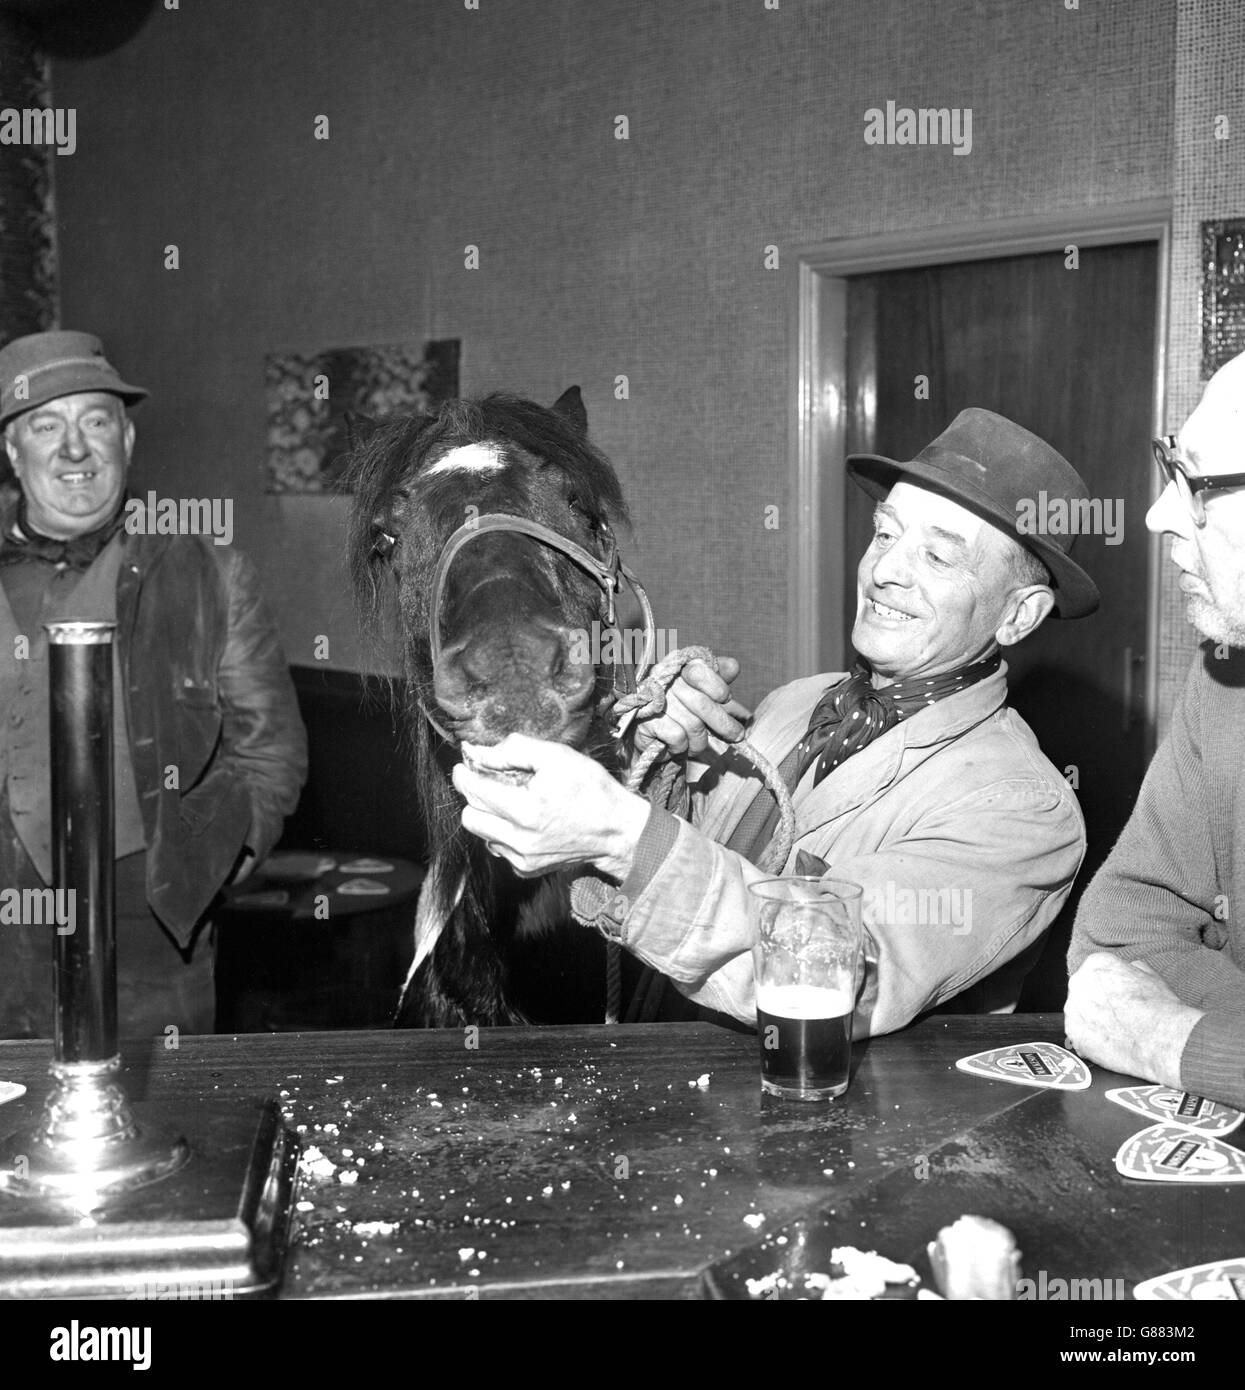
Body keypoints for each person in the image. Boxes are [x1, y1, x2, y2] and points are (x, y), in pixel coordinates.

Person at [453, 408, 1099, 1034]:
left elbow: (832, 970)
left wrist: (625, 836)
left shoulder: (1026, 812)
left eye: (937, 558)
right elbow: (688, 873)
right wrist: (660, 760)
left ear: (1019, 616)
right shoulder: (798, 701)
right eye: (885, 533)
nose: (884, 572)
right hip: (668, 1088)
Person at [0, 330, 307, 1040]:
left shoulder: (207, 572)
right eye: (47, 425)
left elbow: (271, 748)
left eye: (95, 421)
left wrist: (214, 867)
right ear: (13, 452)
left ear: (128, 439)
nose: (74, 450)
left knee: (165, 1131)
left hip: (150, 931)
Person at [1066, 351, 1245, 1108]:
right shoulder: (1223, 679)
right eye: (1166, 468)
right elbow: (1117, 937)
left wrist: (1172, 1038)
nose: (1156, 515)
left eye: (1196, 484)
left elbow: (1134, 1011)